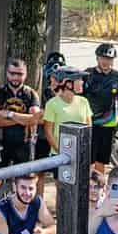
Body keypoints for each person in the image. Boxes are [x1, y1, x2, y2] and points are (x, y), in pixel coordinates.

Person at [42, 69, 92, 198]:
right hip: (60, 155)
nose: (82, 82)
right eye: (78, 80)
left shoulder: (83, 102)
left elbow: (88, 127)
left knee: (80, 190)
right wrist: (62, 153)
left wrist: (83, 151)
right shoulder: (52, 104)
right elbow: (48, 131)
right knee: (63, 190)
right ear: (68, 84)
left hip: (80, 154)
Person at [82, 43, 118, 175]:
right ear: (97, 58)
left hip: (108, 124)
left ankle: (98, 188)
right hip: (89, 123)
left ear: (113, 60)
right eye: (102, 58)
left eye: (109, 59)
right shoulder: (87, 74)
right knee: (88, 160)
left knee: (101, 161)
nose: (105, 62)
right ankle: (85, 190)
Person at [0, 58, 42, 166]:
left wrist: (9, 114)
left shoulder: (31, 94)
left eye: (20, 74)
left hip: (24, 145)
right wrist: (24, 119)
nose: (15, 77)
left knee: (24, 181)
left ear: (25, 75)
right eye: (12, 73)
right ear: (7, 73)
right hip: (1, 144)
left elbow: (35, 120)